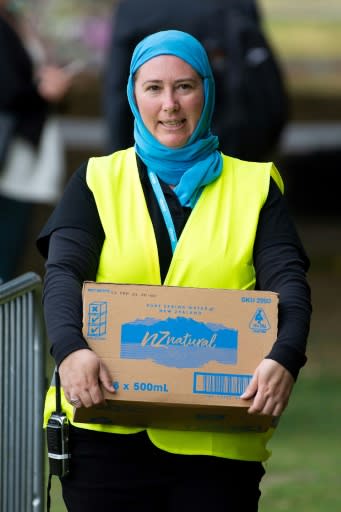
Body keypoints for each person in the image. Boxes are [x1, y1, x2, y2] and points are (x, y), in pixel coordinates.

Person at [37, 30, 311, 511]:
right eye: (154, 88)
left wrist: (285, 357)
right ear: (132, 95)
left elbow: (288, 280)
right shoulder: (98, 180)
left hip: (217, 444)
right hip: (106, 434)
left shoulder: (254, 187)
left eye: (185, 86)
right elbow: (63, 273)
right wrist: (70, 350)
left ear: (207, 91)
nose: (170, 104)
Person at [103, 0, 288, 161]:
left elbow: (118, 90)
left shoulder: (134, 9)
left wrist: (120, 153)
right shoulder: (236, 5)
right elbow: (267, 87)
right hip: (229, 147)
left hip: (152, 157)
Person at [0, 0, 74, 282]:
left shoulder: (16, 19)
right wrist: (43, 90)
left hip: (23, 155)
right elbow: (7, 91)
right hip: (11, 161)